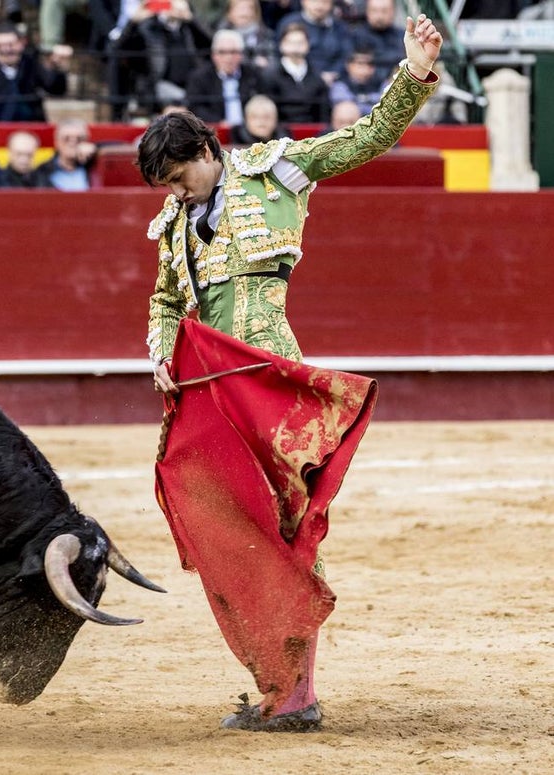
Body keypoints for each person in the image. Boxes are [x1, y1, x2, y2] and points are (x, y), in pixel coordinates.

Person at [137, 12, 443, 733]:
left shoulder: (276, 166)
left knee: (285, 530)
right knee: (230, 535)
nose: (177, 193)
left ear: (209, 151)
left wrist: (415, 73)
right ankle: (278, 682)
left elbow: (364, 139)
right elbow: (164, 300)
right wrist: (158, 350)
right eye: (169, 186)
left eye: (181, 177)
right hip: (210, 393)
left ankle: (294, 692)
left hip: (271, 380)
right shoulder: (175, 222)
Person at [107, 0, 211, 119]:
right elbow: (116, 51)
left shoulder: (189, 27)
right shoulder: (147, 27)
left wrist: (191, 19)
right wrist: (133, 23)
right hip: (160, 91)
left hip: (192, 88)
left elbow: (214, 48)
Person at [0, 23, 69, 122]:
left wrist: (57, 67)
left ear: (22, 43)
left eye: (11, 44)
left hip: (30, 126)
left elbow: (56, 89)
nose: (6, 50)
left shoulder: (31, 62)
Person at [184, 28, 260, 125]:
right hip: (215, 131)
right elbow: (195, 107)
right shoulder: (199, 77)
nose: (228, 58)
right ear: (214, 55)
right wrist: (219, 122)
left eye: (233, 52)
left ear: (241, 55)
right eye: (222, 52)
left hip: (249, 130)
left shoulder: (253, 74)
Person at [260, 22, 329, 124]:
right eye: (291, 42)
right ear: (281, 44)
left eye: (300, 42)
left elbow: (323, 113)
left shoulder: (317, 78)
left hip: (312, 134)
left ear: (308, 45)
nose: (296, 46)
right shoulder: (269, 76)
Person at [275, 0, 351, 84]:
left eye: (325, 2)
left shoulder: (340, 27)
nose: (319, 6)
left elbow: (346, 55)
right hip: (296, 79)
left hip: (334, 79)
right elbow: (279, 54)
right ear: (303, 2)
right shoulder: (289, 23)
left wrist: (333, 73)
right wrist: (315, 77)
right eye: (314, 1)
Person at [36, 117, 96, 190]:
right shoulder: (42, 171)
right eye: (66, 138)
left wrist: (96, 148)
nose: (72, 143)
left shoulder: (94, 166)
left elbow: (112, 146)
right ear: (57, 142)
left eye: (79, 139)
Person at [214, 0, 275, 71]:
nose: (244, 13)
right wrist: (253, 63)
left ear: (255, 13)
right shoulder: (220, 36)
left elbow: (272, 61)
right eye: (239, 8)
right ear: (229, 13)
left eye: (249, 8)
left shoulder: (266, 35)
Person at [350, 0, 402, 75]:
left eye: (384, 11)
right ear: (367, 11)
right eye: (374, 11)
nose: (379, 16)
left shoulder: (402, 36)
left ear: (393, 11)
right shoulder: (356, 36)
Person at [328, 47, 382, 116]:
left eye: (370, 64)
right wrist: (371, 102)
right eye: (360, 63)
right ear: (349, 65)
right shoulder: (340, 84)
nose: (365, 68)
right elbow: (346, 108)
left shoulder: (380, 83)